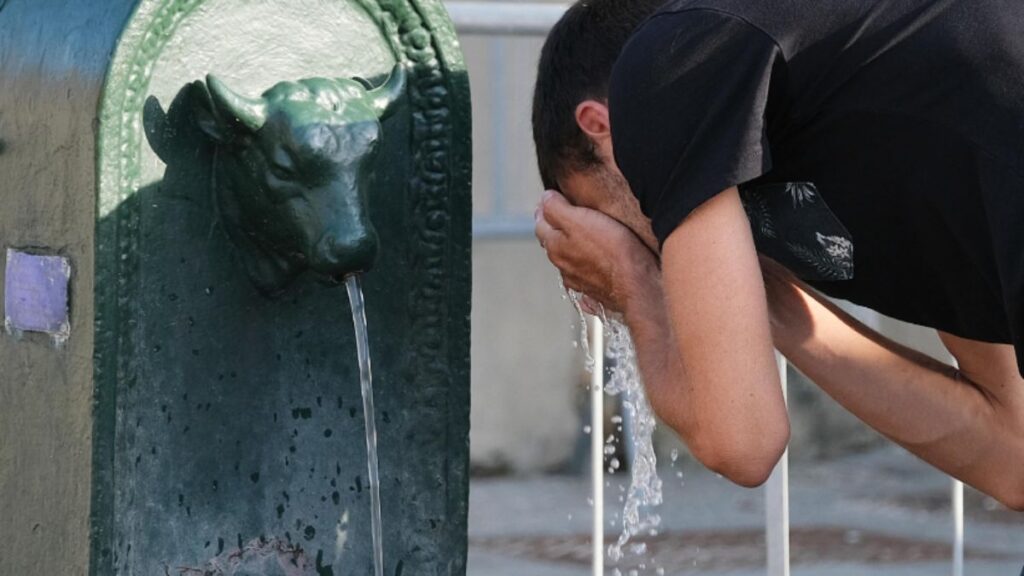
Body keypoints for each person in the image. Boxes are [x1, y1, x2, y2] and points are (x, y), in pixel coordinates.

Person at [532, 0, 1024, 509]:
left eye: (607, 221)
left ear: (602, 124)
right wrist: (771, 303)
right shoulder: (886, 95)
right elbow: (1014, 457)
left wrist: (633, 279)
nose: (654, 242)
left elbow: (742, 443)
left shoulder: (673, 57)